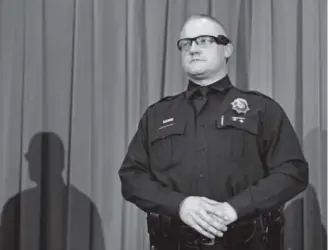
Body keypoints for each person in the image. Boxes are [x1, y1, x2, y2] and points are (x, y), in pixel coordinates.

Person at [118, 14, 308, 250]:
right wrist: (180, 205)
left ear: (227, 49)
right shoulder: (157, 114)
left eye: (204, 40)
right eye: (186, 43)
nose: (193, 49)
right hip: (173, 243)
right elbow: (131, 177)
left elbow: (293, 172)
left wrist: (234, 208)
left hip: (246, 242)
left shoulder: (261, 109)